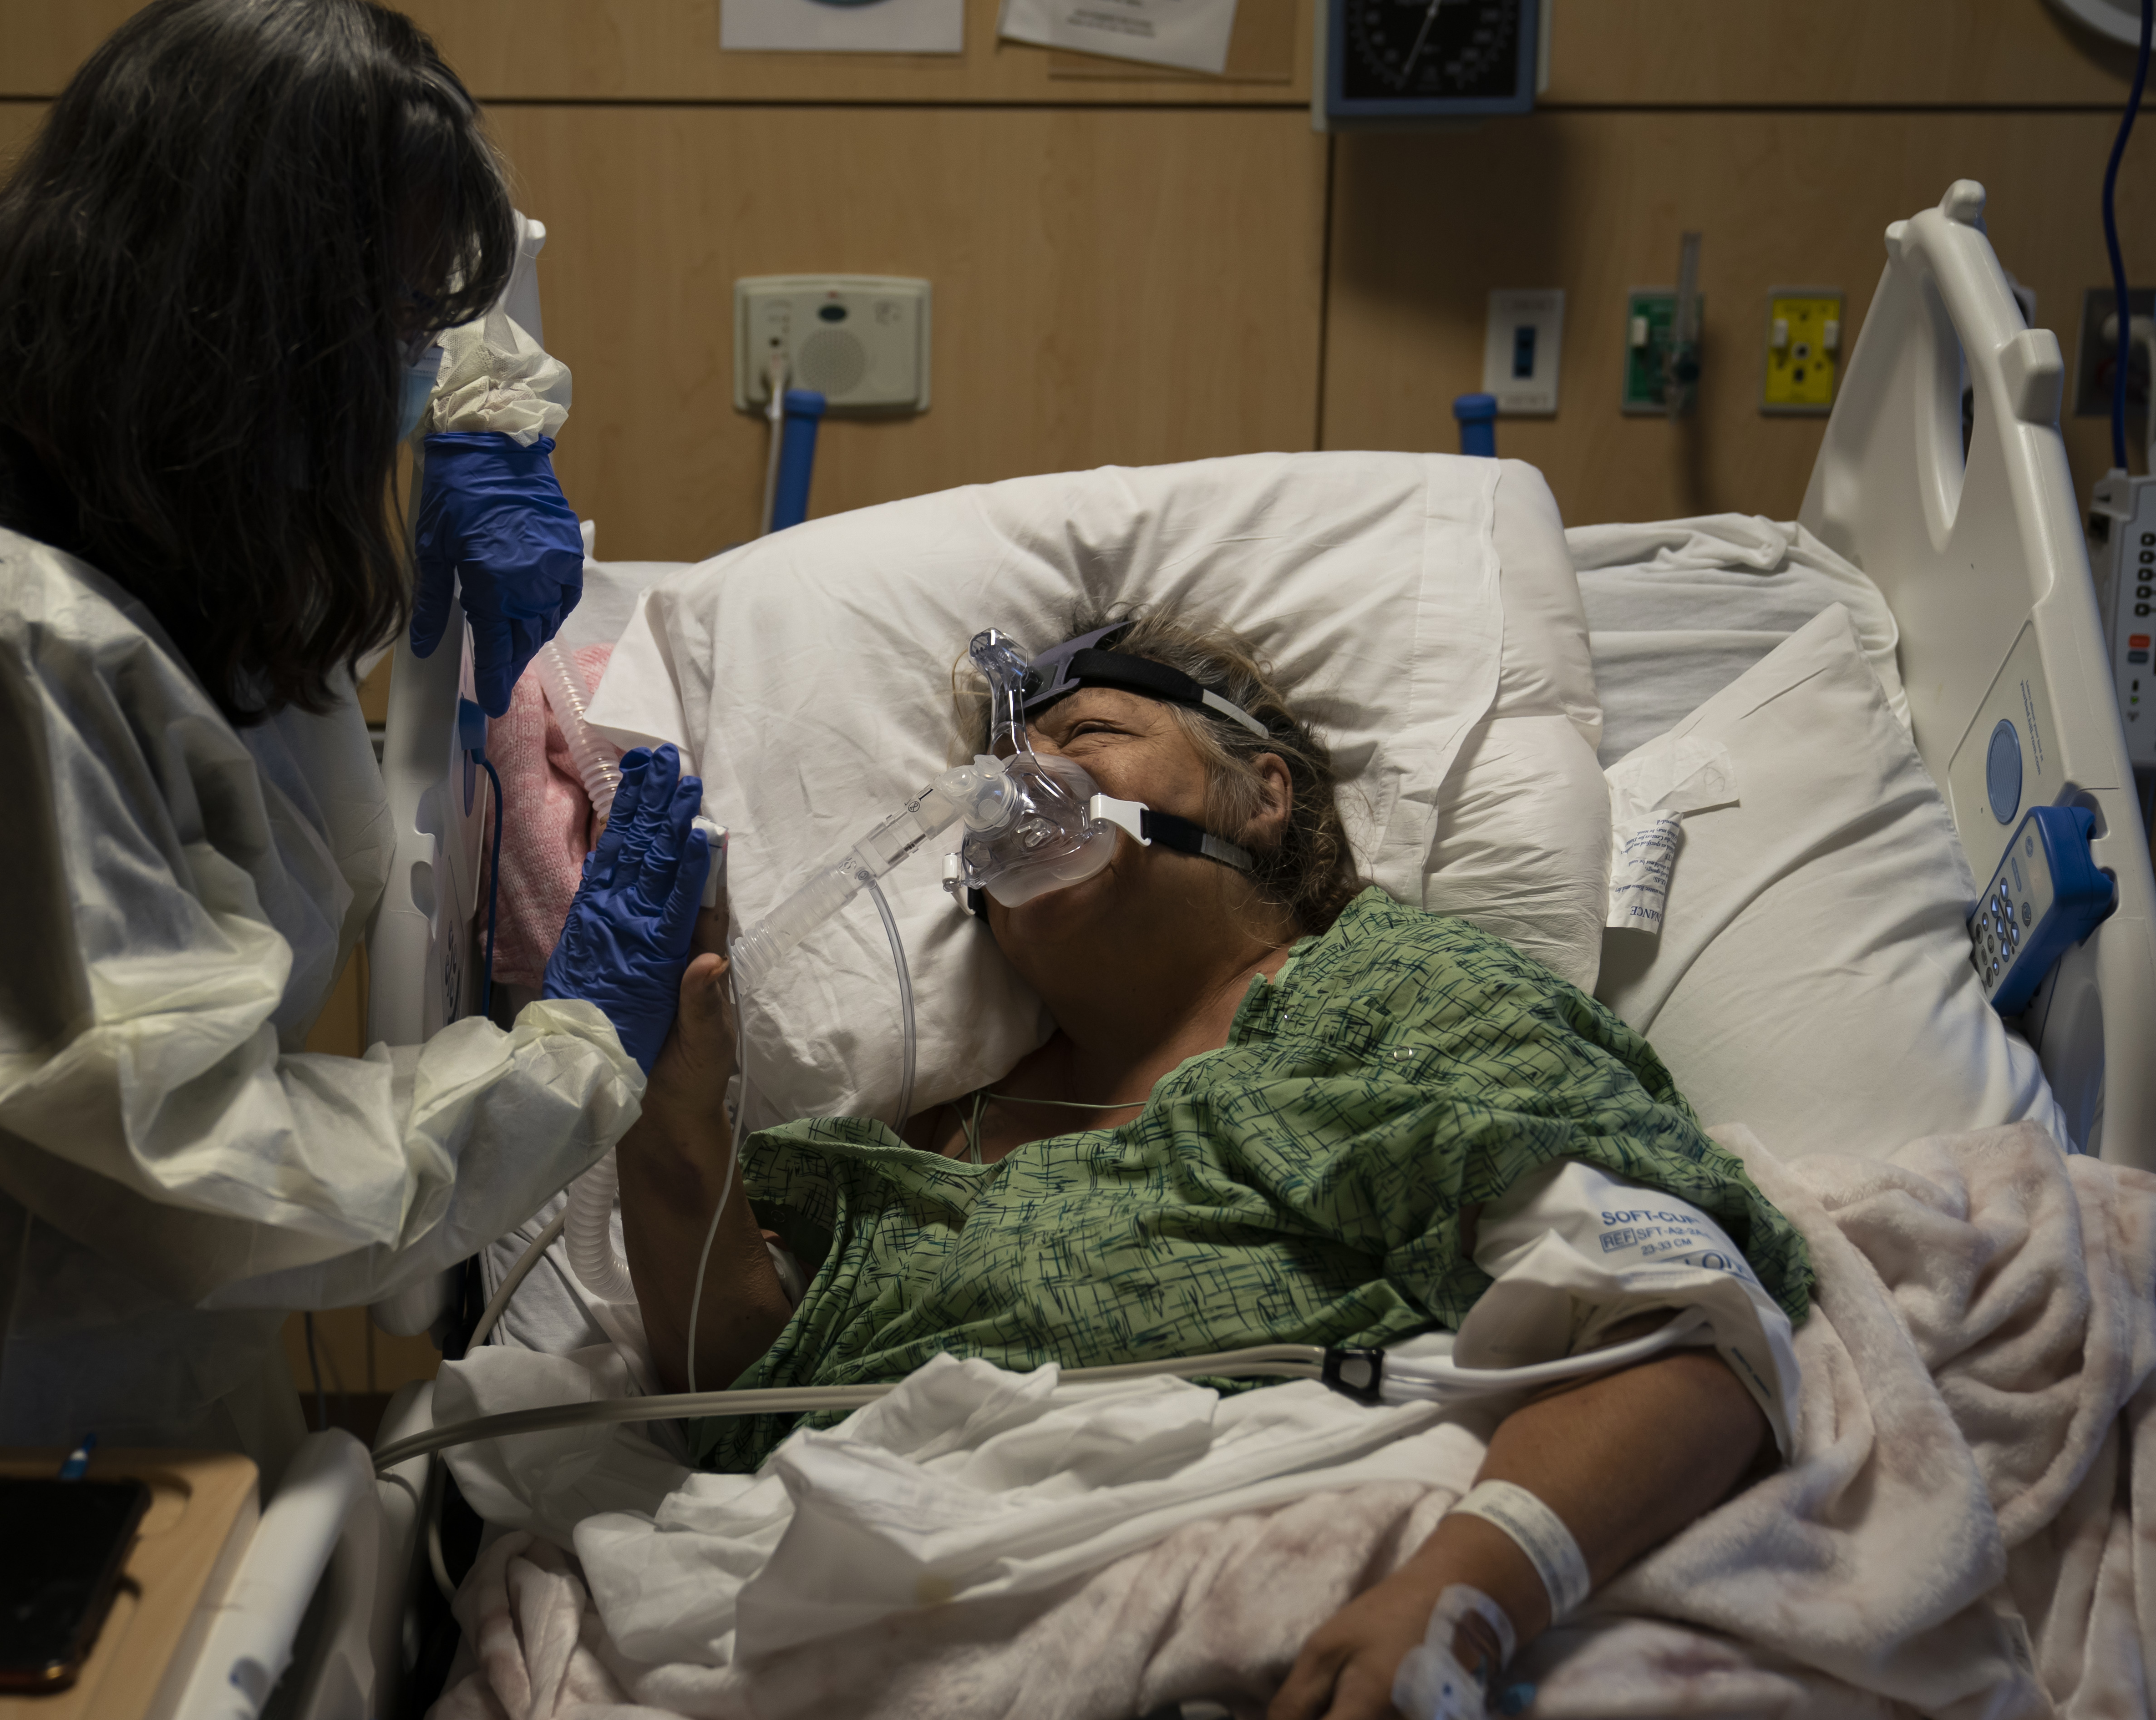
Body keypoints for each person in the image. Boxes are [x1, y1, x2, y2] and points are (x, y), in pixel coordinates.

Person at [0, 0, 710, 1478]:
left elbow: (258, 677)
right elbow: (200, 1169)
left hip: (109, 1375)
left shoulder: (164, 533)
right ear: (249, 342)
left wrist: (484, 421)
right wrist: (565, 1060)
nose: (415, 365)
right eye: (393, 328)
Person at [615, 609, 1813, 1712]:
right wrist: (659, 1095)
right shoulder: (935, 1151)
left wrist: (1460, 1592)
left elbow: (1678, 1323)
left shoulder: (1399, 1008)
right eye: (991, 776)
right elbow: (746, 1396)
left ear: (1263, 794)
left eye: (1090, 731)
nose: (1026, 787)